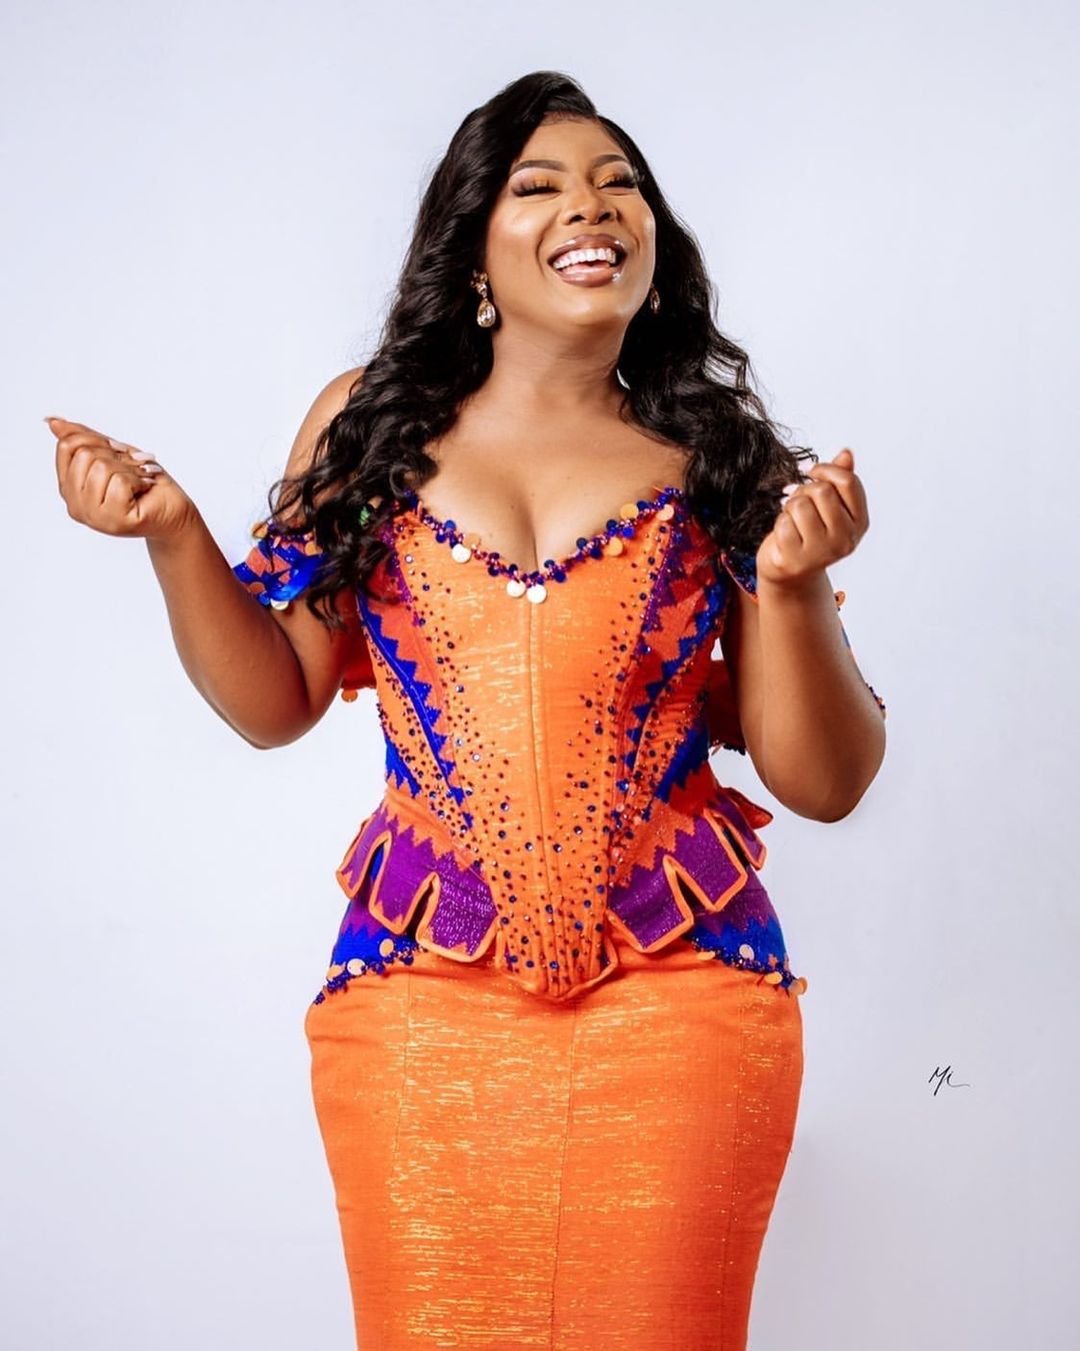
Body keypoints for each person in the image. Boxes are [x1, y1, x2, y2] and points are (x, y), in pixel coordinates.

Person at [49, 70, 886, 1351]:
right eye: (538, 185)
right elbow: (277, 701)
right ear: (474, 248)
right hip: (418, 1009)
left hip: (683, 1008)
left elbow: (824, 780)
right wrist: (173, 533)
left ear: (653, 244)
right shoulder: (369, 425)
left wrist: (795, 579)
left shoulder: (720, 455)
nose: (589, 206)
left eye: (617, 183)